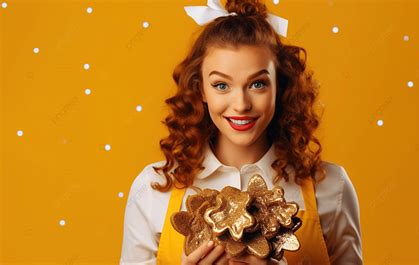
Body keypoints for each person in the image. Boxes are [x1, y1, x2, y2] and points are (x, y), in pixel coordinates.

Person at [120, 0, 363, 264]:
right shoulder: (153, 189)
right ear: (201, 89)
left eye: (257, 84)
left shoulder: (331, 187)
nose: (241, 105)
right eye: (221, 85)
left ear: (280, 87)